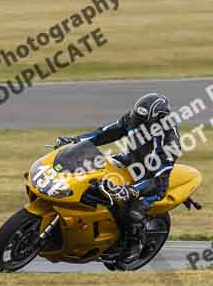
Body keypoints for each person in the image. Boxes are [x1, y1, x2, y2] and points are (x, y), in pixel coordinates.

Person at [55, 92, 180, 262]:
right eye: (136, 117)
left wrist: (133, 190)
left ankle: (134, 244)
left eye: (142, 121)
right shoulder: (133, 118)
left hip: (151, 180)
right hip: (129, 161)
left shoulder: (170, 142)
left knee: (132, 210)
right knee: (90, 172)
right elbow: (103, 134)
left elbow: (158, 176)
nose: (136, 123)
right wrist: (75, 141)